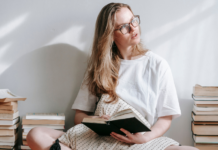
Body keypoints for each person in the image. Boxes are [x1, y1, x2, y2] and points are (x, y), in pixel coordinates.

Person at [27, 2, 199, 150]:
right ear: (110, 35)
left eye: (133, 20)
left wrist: (144, 138)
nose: (133, 28)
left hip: (140, 143)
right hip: (98, 140)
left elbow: (165, 119)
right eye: (124, 26)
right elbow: (79, 117)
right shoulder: (99, 67)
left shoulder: (157, 65)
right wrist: (94, 120)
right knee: (36, 134)